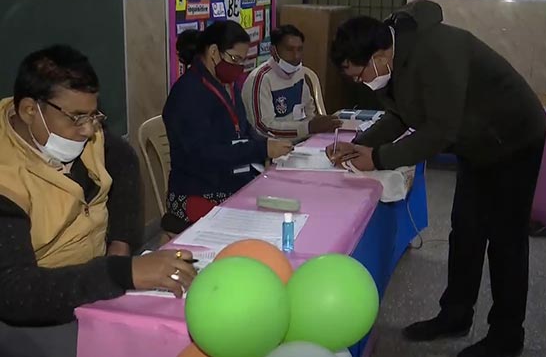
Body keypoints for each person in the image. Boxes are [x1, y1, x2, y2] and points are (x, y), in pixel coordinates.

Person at [327, 0, 546, 357]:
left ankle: (507, 335)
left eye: (359, 74)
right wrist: (358, 146)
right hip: (477, 141)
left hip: (513, 136)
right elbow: (399, 115)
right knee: (466, 228)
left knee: (506, 238)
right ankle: (455, 314)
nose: (360, 82)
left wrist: (379, 157)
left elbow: (439, 131)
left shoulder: (437, 51)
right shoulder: (393, 59)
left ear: (380, 54)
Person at [0, 45, 197, 357]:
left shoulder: (83, 133)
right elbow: (14, 292)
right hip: (35, 311)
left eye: (93, 115)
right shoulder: (5, 178)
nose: (90, 129)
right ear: (28, 111)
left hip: (94, 282)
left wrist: (119, 248)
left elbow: (124, 163)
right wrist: (121, 273)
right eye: (78, 117)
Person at [162, 21, 293, 234]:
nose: (239, 68)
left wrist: (265, 145)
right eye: (235, 59)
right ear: (214, 52)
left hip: (230, 181)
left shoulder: (226, 85)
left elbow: (242, 128)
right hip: (196, 193)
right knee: (259, 227)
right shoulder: (188, 94)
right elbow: (204, 154)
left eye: (243, 61)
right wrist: (261, 150)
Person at [242, 24, 341, 142]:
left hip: (302, 143)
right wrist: (308, 128)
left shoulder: (299, 72)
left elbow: (309, 111)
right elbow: (263, 128)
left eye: (299, 49)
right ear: (273, 51)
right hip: (273, 149)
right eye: (289, 50)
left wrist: (317, 126)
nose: (296, 56)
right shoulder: (260, 79)